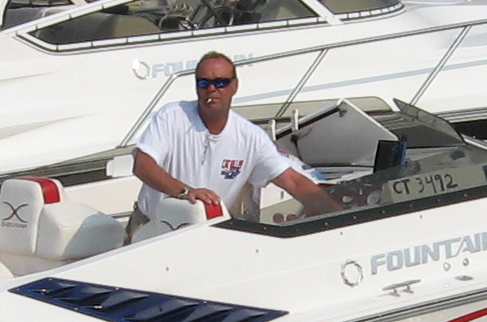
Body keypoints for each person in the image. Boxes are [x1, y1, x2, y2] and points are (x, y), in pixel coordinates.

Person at [131, 52, 338, 224]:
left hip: (207, 235)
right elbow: (142, 165)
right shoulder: (171, 116)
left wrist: (338, 214)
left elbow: (292, 181)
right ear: (196, 87)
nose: (212, 89)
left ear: (234, 86)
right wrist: (186, 192)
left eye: (221, 82)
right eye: (204, 83)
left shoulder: (251, 137)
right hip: (152, 227)